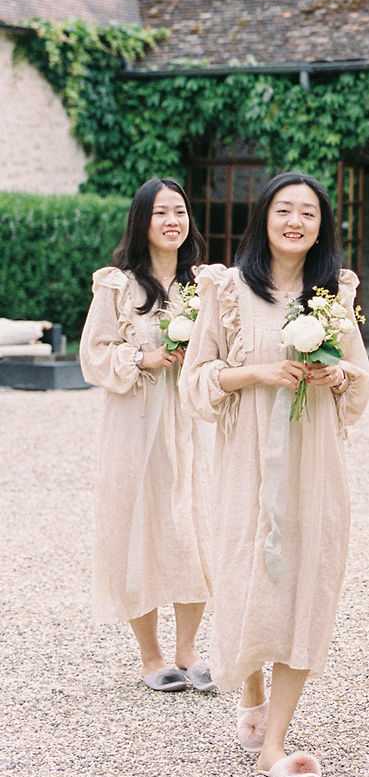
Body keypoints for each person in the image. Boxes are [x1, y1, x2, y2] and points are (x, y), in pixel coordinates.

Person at [182, 172, 369, 777]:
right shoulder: (227, 289)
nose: (296, 221)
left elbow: (361, 379)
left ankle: (276, 741)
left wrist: (335, 375)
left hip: (314, 462)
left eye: (309, 214)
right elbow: (197, 377)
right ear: (264, 217)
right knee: (245, 578)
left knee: (307, 581)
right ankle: (251, 693)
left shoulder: (333, 293)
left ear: (323, 227)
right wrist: (260, 374)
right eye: (285, 210)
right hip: (246, 461)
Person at [80, 177, 212, 693]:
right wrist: (143, 357)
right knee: (137, 529)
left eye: (179, 211)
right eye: (160, 213)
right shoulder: (118, 285)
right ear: (142, 221)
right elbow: (93, 354)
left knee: (192, 527)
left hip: (190, 421)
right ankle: (150, 654)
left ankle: (188, 648)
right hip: (134, 423)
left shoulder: (205, 283)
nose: (172, 221)